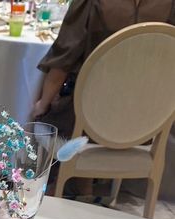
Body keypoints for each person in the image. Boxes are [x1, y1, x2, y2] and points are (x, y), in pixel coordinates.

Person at [33, 0, 175, 138]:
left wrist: (42, 104)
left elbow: (63, 62)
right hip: (148, 125)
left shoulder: (90, 3)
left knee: (38, 117)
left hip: (87, 124)